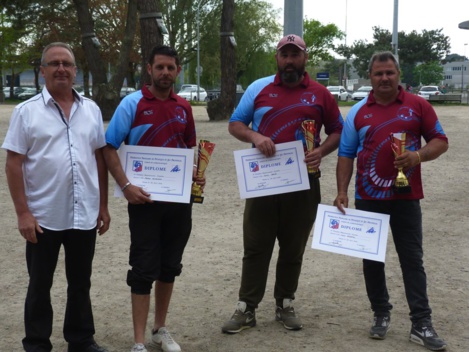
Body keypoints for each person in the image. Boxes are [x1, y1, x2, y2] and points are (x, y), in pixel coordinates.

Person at [222, 34, 343, 334]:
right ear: (277, 58)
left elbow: (338, 131)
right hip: (263, 181)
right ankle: (246, 307)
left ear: (305, 58)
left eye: (295, 54)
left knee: (293, 247)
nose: (289, 60)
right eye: (284, 54)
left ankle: (285, 302)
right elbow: (235, 124)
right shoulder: (258, 89)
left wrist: (321, 151)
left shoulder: (320, 94)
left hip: (304, 182)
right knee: (256, 246)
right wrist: (256, 136)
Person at [334, 51, 448, 351]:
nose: (384, 78)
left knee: (412, 259)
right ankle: (381, 313)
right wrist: (342, 191)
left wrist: (418, 155)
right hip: (369, 197)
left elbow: (440, 140)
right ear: (370, 77)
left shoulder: (418, 105)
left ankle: (421, 322)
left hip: (406, 196)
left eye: (389, 73)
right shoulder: (357, 112)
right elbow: (345, 154)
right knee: (372, 260)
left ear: (398, 75)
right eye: (378, 73)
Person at [2, 42, 110, 352]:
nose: (61, 68)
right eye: (54, 63)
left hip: (83, 213)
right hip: (43, 215)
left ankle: (80, 339)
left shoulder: (91, 109)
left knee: (80, 282)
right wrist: (23, 213)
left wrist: (102, 205)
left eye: (66, 63)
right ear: (43, 71)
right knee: (39, 284)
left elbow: (99, 159)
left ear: (75, 71)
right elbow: (13, 164)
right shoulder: (26, 112)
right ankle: (37, 343)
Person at [103, 45, 204, 352]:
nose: (165, 73)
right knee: (143, 268)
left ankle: (160, 329)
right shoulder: (132, 104)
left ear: (177, 71)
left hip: (178, 201)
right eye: (159, 67)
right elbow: (108, 147)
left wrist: (196, 176)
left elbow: (189, 151)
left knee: (170, 266)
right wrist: (125, 186)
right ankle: (138, 342)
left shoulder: (183, 107)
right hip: (144, 201)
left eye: (170, 68)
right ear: (149, 69)